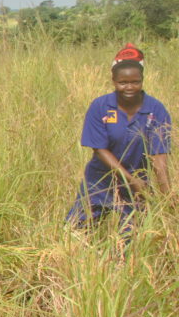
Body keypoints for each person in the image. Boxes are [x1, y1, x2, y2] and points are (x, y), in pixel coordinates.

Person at [66, 53, 171, 234]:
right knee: (76, 232)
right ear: (113, 81)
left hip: (138, 184)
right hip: (100, 180)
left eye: (135, 82)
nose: (129, 87)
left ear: (142, 80)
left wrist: (166, 193)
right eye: (123, 83)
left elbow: (159, 154)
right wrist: (129, 180)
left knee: (131, 237)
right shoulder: (100, 106)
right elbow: (99, 149)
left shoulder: (155, 109)